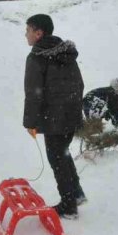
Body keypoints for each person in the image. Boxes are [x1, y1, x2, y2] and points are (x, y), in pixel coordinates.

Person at [23, 13, 86, 219]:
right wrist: (74, 110)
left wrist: (30, 123)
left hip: (53, 118)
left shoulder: (36, 57)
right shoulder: (66, 53)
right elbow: (79, 84)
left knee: (56, 158)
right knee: (63, 153)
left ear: (39, 33)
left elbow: (34, 93)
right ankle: (75, 193)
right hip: (70, 114)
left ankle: (68, 205)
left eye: (28, 30)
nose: (26, 35)